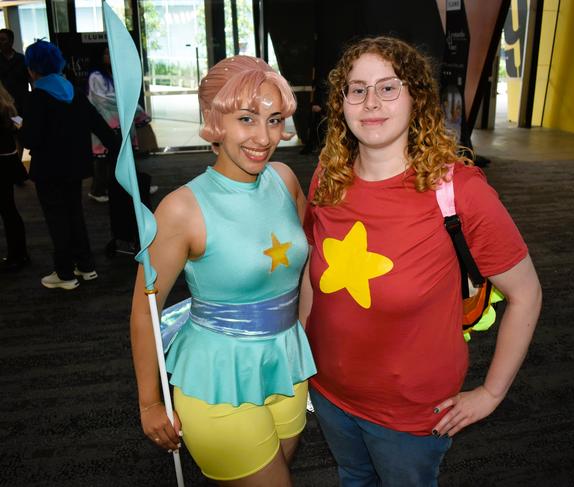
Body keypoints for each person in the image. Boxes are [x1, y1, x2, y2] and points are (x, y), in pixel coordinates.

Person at [299, 36, 542, 486]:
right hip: (329, 391)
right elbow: (314, 271)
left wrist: (491, 393)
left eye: (388, 88)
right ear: (342, 103)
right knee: (353, 477)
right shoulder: (327, 180)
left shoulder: (460, 192)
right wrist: (303, 356)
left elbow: (526, 294)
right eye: (357, 89)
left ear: (417, 98)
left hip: (409, 414)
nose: (370, 102)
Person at [129, 55, 316, 485]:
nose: (263, 137)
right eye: (246, 119)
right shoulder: (181, 209)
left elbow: (306, 263)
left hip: (287, 369)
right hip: (216, 384)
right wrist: (149, 404)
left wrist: (303, 331)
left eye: (273, 119)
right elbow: (144, 309)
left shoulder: (285, 179)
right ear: (215, 119)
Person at [19, 40, 118, 289]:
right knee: (75, 215)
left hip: (49, 169)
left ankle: (65, 274)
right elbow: (97, 124)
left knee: (57, 219)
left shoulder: (37, 97)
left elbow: (31, 139)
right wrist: (118, 145)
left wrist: (20, 128)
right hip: (75, 166)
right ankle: (86, 266)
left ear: (32, 68)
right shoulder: (72, 91)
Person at [86, 45, 154, 203]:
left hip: (116, 122)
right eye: (106, 54)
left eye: (111, 53)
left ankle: (134, 186)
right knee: (106, 159)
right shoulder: (96, 76)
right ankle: (98, 190)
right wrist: (129, 104)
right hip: (106, 123)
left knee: (122, 157)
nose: (109, 56)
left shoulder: (111, 74)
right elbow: (103, 99)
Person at [0, 81, 28, 272]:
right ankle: (19, 253)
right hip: (8, 160)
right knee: (9, 209)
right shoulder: (8, 106)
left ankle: (16, 255)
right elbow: (20, 126)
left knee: (7, 210)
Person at [0, 29, 29, 115]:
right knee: (11, 125)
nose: (0, 42)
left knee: (21, 125)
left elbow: (31, 79)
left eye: (3, 39)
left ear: (11, 41)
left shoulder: (22, 59)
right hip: (4, 105)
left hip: (22, 102)